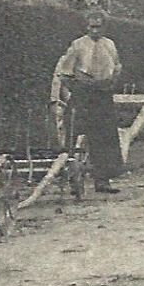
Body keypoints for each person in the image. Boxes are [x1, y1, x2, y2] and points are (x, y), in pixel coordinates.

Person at [56, 10, 124, 194]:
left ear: (104, 27)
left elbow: (117, 68)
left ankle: (103, 180)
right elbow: (65, 73)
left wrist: (110, 84)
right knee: (74, 132)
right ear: (87, 27)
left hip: (103, 94)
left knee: (105, 135)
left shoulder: (110, 45)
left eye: (98, 27)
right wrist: (78, 90)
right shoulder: (78, 45)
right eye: (91, 27)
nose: (95, 31)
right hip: (83, 95)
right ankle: (72, 177)